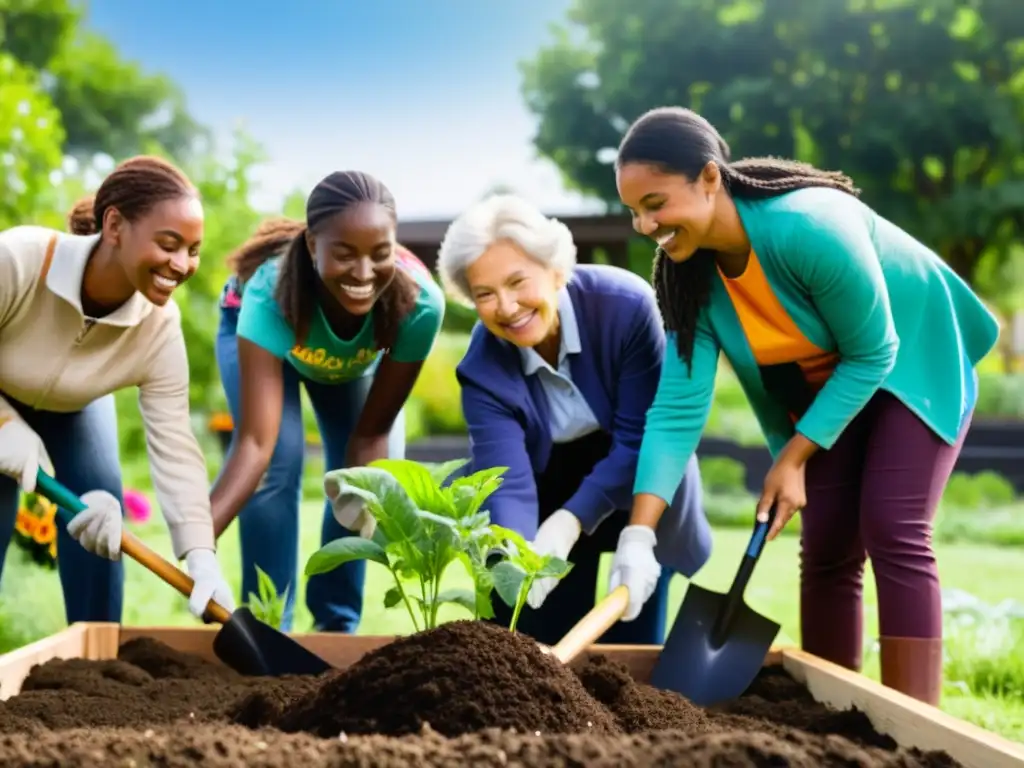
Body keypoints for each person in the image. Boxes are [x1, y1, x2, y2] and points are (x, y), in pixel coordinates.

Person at [614, 106, 1000, 704]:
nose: (644, 224)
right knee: (824, 545)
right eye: (634, 210)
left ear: (711, 177)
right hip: (835, 390)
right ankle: (832, 713)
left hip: (911, 362)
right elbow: (675, 411)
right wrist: (638, 537)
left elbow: (874, 352)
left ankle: (920, 728)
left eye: (656, 203)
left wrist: (793, 459)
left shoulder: (809, 226)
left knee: (892, 527)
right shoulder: (692, 279)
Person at [434, 193, 711, 646]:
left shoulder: (625, 307)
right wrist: (523, 553)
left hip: (639, 480)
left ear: (556, 270)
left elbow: (642, 437)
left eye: (518, 281)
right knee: (539, 637)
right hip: (547, 487)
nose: (506, 306)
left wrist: (572, 520)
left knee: (630, 643)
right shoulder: (482, 367)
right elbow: (506, 477)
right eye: (485, 294)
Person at [0, 155, 235, 624]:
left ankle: (96, 670)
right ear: (114, 226)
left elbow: (175, 444)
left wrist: (200, 554)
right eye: (169, 244)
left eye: (193, 250)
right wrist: (5, 423)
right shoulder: (19, 259)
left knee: (100, 522)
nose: (182, 264)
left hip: (75, 408)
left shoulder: (159, 329)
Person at [210, 171, 445, 633]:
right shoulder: (267, 292)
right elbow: (255, 444)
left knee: (357, 484)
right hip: (271, 340)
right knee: (278, 463)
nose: (363, 273)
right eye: (344, 254)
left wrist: (372, 495)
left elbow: (371, 433)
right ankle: (266, 625)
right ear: (313, 244)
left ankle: (335, 628)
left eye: (380, 254)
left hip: (347, 366)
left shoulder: (418, 306)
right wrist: (199, 542)